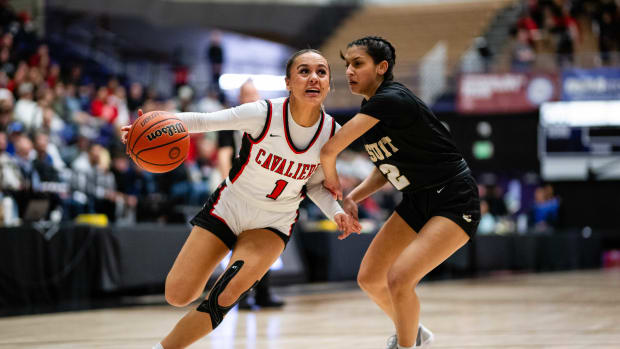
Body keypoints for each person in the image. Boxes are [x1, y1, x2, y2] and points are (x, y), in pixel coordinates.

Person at [121, 49, 360, 349]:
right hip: (229, 208)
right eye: (304, 71)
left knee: (224, 296)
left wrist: (335, 212)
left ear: (328, 84)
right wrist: (148, 128)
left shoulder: (332, 133)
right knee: (177, 294)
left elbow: (313, 186)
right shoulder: (263, 113)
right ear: (288, 82)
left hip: (273, 222)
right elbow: (203, 121)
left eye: (321, 72)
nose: (313, 77)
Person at [320, 36, 481, 349]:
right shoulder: (372, 107)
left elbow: (330, 150)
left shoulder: (392, 99)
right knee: (369, 278)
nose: (349, 71)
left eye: (357, 64)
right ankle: (414, 331)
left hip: (453, 197)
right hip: (417, 199)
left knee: (399, 278)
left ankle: (407, 344)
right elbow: (385, 167)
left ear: (382, 67)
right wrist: (354, 197)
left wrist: (332, 186)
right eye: (347, 65)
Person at [218, 79, 285, 310]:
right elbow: (223, 155)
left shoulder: (270, 120)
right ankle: (241, 295)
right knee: (242, 245)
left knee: (264, 242)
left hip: (265, 189)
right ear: (240, 98)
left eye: (254, 94)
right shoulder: (232, 120)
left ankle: (264, 293)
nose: (252, 98)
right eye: (247, 94)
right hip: (239, 188)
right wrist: (229, 185)